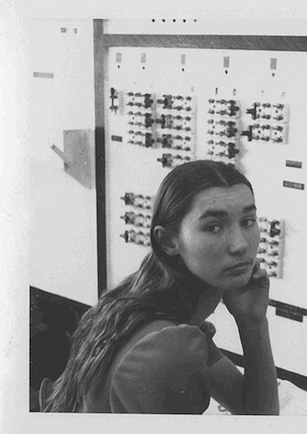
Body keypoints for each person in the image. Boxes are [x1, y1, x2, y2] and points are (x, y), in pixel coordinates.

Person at [40, 160, 279, 414]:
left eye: (248, 221)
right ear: (167, 241)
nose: (240, 245)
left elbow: (256, 414)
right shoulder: (167, 345)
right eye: (213, 227)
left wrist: (253, 323)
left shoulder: (148, 303)